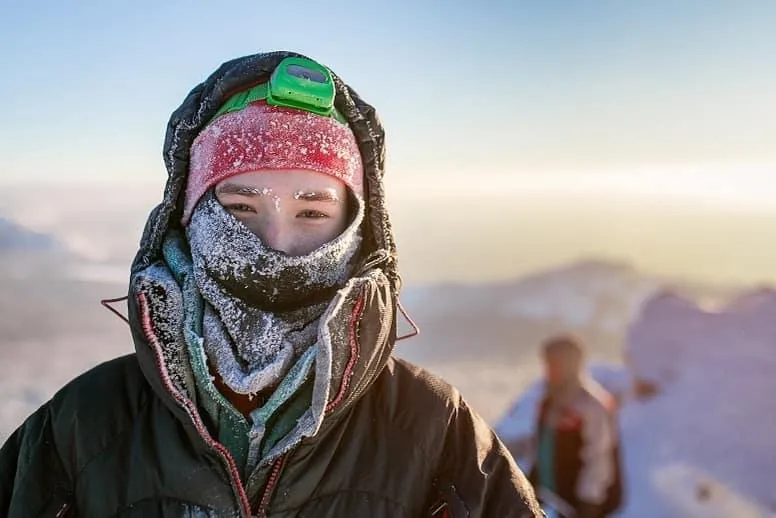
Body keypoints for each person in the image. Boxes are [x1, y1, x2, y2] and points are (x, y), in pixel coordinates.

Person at [0, 51, 543, 517]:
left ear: (358, 227)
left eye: (312, 212)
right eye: (239, 208)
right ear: (188, 219)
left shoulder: (435, 434)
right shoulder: (82, 429)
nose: (275, 245)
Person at [528, 335, 624, 518]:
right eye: (548, 363)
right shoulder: (549, 402)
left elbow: (599, 458)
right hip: (549, 500)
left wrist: (589, 504)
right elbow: (542, 448)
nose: (549, 369)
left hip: (579, 503)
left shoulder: (591, 405)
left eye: (555, 363)